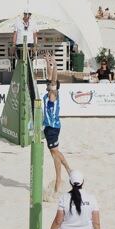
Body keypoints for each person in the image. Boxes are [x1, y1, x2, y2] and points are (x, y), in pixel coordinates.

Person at [43, 63, 72, 193]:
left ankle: (62, 175)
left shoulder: (53, 94)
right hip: (49, 127)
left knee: (55, 153)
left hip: (53, 127)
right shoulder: (49, 92)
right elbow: (50, 77)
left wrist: (55, 64)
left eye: (50, 84)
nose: (48, 84)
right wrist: (48, 63)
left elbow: (53, 79)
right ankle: (63, 174)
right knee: (54, 153)